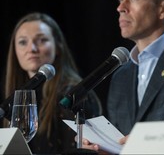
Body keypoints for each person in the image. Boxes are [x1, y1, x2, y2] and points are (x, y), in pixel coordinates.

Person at [81, 0, 164, 151]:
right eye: (120, 0)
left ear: (163, 8)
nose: (121, 8)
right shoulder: (121, 75)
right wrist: (105, 148)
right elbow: (122, 143)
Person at [2, 12, 102, 154]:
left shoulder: (73, 94)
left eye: (42, 40)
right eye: (23, 42)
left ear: (58, 47)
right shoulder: (15, 98)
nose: (32, 49)